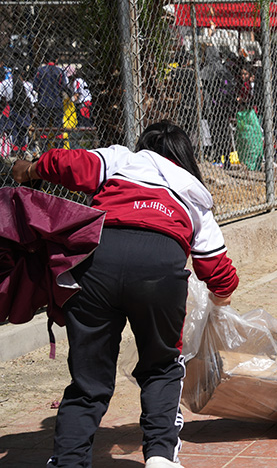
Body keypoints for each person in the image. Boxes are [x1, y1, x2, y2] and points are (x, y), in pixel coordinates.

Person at [11, 120, 239, 468]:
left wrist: (30, 169)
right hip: (160, 269)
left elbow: (68, 163)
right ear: (186, 157)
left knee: (88, 379)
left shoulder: (121, 159)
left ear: (144, 144)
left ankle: (69, 461)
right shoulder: (194, 193)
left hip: (96, 260)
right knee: (161, 366)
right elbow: (219, 273)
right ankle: (161, 457)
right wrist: (220, 301)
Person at [32, 56, 69, 150]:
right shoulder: (60, 71)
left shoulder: (40, 70)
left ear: (44, 60)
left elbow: (35, 86)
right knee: (58, 127)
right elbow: (63, 86)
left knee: (43, 127)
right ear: (56, 59)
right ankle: (59, 149)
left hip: (43, 103)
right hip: (57, 103)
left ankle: (44, 150)